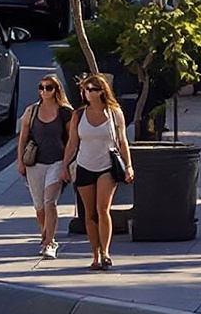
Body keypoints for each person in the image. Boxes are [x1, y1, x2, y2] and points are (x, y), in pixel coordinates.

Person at [65, 73, 134, 271]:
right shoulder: (79, 115)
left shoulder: (114, 113)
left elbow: (122, 141)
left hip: (106, 165)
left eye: (93, 89)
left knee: (103, 209)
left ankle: (106, 252)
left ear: (102, 91)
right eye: (85, 90)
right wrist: (65, 166)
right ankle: (95, 254)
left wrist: (128, 166)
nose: (88, 93)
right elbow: (72, 143)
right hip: (84, 164)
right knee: (89, 214)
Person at [15, 75, 71, 259]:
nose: (44, 91)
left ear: (56, 90)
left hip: (56, 162)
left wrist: (67, 164)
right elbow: (23, 137)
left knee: (50, 203)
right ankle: (45, 235)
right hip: (35, 163)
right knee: (39, 206)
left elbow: (72, 139)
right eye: (42, 87)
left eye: (49, 88)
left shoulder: (65, 112)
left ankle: (50, 242)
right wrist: (20, 161)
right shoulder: (31, 111)